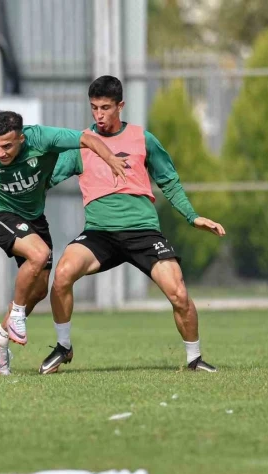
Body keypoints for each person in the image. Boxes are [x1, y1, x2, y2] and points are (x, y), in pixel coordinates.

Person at [0, 95, 128, 376]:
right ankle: (17, 315)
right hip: (1, 215)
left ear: (21, 138)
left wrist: (111, 160)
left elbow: (87, 139)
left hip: (34, 220)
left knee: (40, 289)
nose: (0, 152)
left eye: (7, 145)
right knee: (40, 254)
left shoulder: (42, 138)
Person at [38, 76, 225, 375]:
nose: (99, 115)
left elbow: (170, 182)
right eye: (94, 108)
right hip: (100, 234)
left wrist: (193, 217)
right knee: (62, 276)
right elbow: (45, 181)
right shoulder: (82, 144)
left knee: (178, 293)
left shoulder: (143, 139)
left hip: (143, 233)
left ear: (120, 106)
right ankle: (63, 347)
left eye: (106, 108)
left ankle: (194, 358)